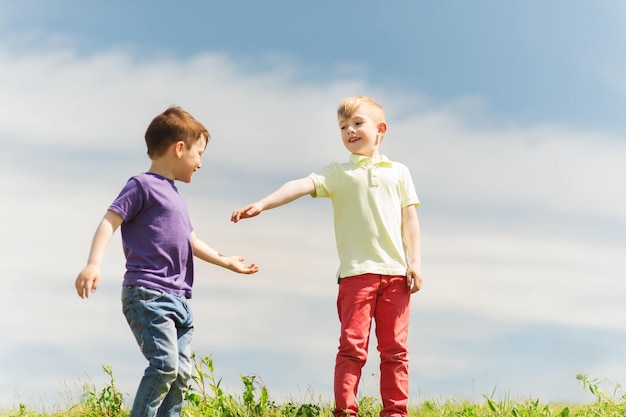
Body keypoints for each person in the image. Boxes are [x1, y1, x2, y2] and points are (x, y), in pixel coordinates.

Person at [231, 96, 422, 417]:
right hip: (355, 275)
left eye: (358, 123)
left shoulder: (399, 172)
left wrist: (415, 261)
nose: (349, 130)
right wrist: (263, 203)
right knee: (352, 348)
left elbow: (410, 220)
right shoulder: (338, 172)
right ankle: (345, 411)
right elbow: (300, 185)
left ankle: (395, 413)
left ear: (380, 129)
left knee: (395, 351)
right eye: (343, 127)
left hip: (396, 275)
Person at [75, 106, 259, 417]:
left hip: (180, 300)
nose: (200, 163)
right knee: (164, 366)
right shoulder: (141, 186)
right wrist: (94, 263)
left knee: (182, 374)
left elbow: (192, 242)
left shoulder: (176, 196)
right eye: (199, 153)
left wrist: (226, 261)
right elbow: (109, 221)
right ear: (179, 149)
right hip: (148, 295)